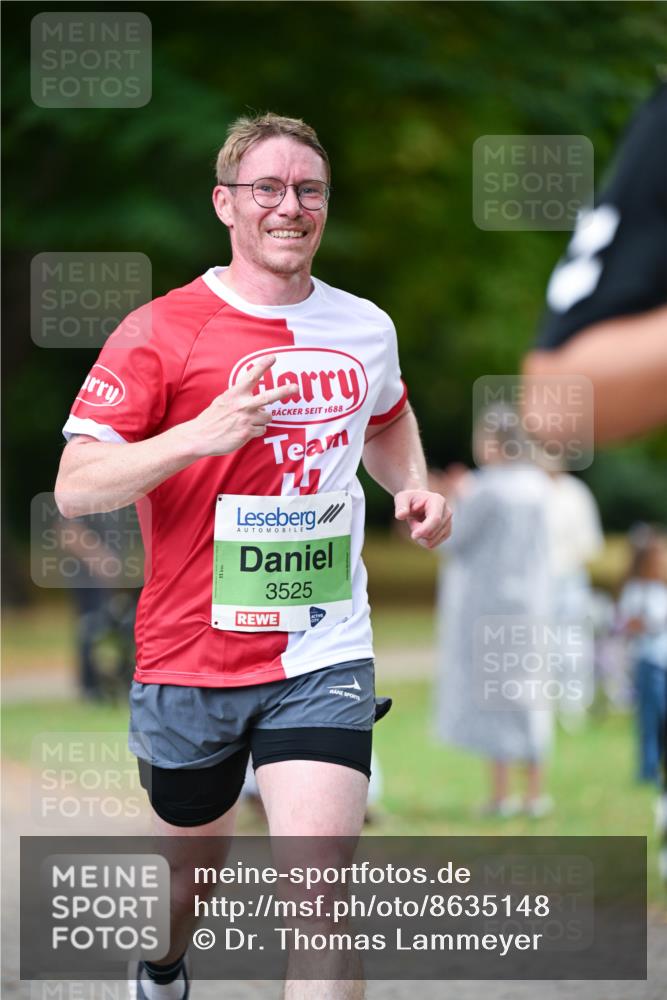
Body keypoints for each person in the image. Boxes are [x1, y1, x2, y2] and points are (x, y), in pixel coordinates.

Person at [54, 113, 452, 1000]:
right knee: (189, 877)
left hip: (322, 647)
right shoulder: (161, 330)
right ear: (224, 205)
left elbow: (385, 418)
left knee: (320, 894)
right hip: (189, 655)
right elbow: (79, 485)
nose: (290, 207)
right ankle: (162, 966)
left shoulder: (364, 327)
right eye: (267, 189)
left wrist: (412, 488)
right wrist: (200, 434)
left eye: (308, 189)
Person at [433, 406, 555, 818]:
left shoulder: (488, 488)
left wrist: (454, 497)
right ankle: (536, 791)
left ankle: (502, 794)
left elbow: (454, 540)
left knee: (495, 696)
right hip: (532, 603)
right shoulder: (539, 485)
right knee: (530, 693)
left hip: (487, 603)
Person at [616, 525, 667, 783]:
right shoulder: (635, 591)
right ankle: (648, 768)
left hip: (663, 659)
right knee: (650, 716)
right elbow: (629, 624)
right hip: (647, 661)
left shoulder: (661, 591)